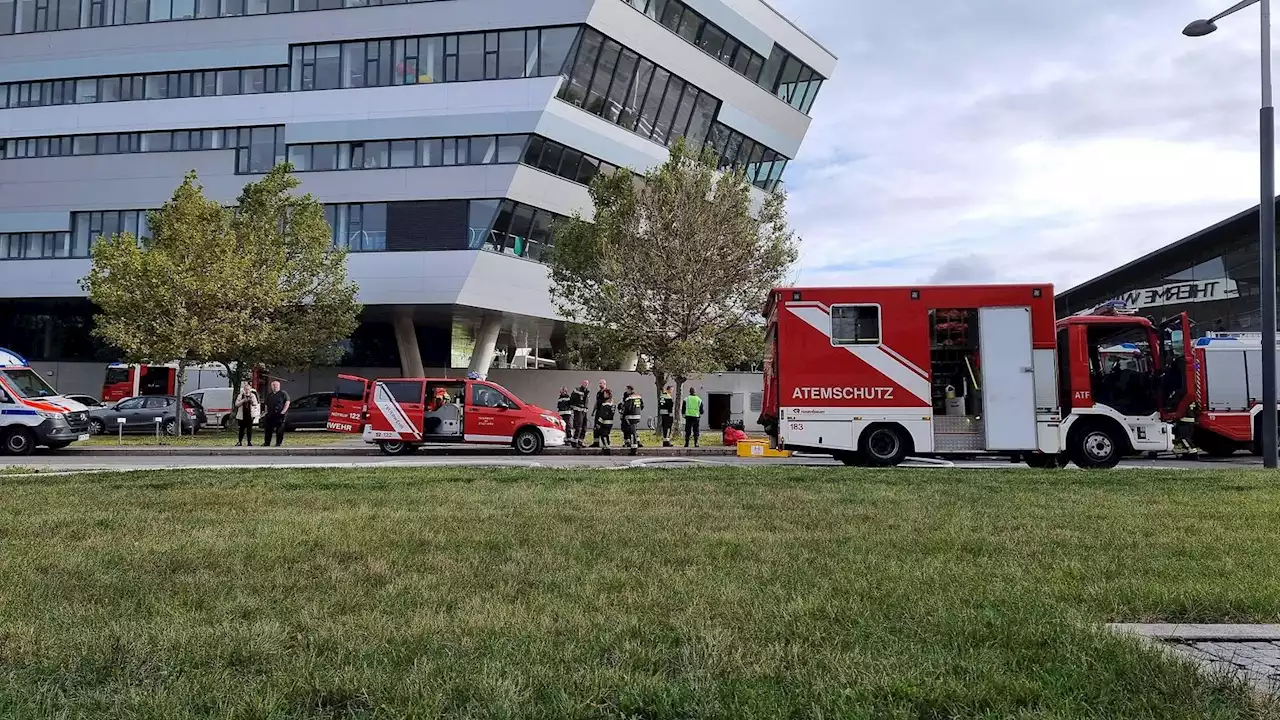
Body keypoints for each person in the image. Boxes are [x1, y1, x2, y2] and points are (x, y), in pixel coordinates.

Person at [260, 379, 290, 447]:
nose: (274, 386)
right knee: (268, 430)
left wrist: (283, 411)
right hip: (270, 414)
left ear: (279, 386)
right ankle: (267, 443)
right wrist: (265, 412)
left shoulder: (283, 393)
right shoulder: (269, 395)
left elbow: (287, 402)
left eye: (276, 385)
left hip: (280, 415)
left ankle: (278, 443)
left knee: (279, 430)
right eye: (273, 385)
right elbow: (266, 405)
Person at [232, 380, 260, 447]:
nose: (247, 390)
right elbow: (236, 404)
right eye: (246, 389)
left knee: (249, 429)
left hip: (250, 415)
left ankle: (249, 442)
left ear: (250, 390)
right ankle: (240, 441)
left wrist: (251, 401)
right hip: (242, 415)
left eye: (248, 389)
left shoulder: (252, 395)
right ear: (244, 390)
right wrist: (243, 400)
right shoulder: (240, 395)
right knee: (241, 429)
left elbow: (255, 403)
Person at [569, 380, 591, 448]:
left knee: (584, 427)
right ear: (581, 383)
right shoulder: (577, 390)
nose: (586, 384)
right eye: (585, 383)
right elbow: (572, 399)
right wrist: (572, 407)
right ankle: (574, 442)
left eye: (587, 383)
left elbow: (586, 401)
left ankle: (580, 441)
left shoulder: (587, 391)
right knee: (578, 427)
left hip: (584, 411)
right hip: (578, 411)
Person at [591, 379, 609, 448]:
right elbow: (596, 402)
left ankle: (605, 443)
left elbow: (609, 402)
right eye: (599, 383)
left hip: (603, 412)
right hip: (598, 411)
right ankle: (596, 442)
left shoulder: (607, 392)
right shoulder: (598, 393)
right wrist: (593, 411)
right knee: (596, 427)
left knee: (602, 427)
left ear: (604, 384)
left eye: (601, 383)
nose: (599, 385)